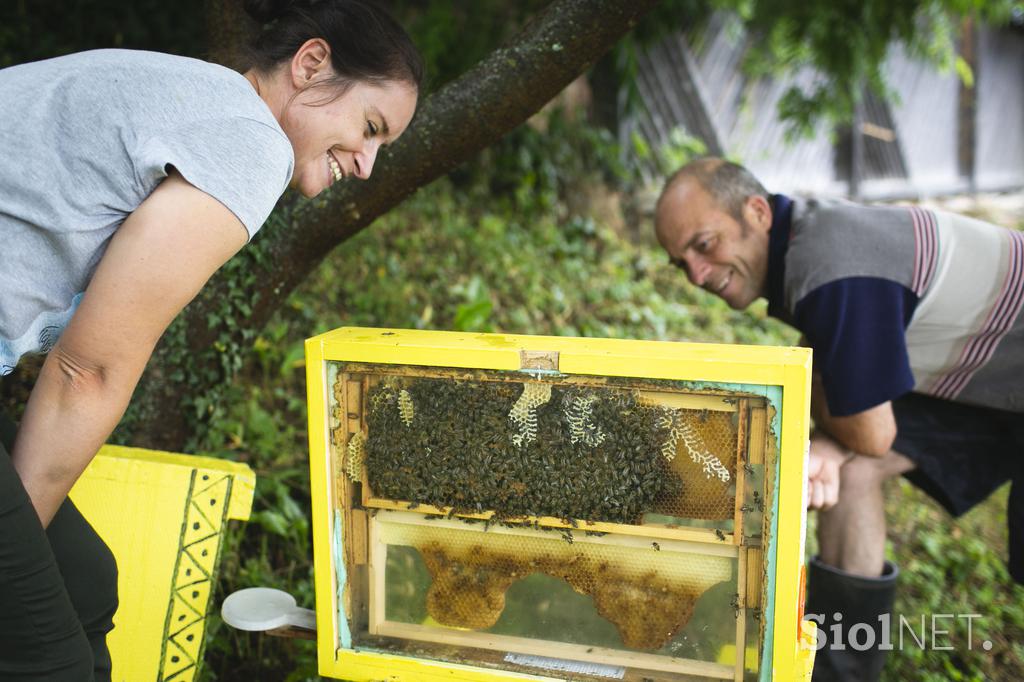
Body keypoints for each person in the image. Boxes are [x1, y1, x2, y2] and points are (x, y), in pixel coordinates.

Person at [0, 0, 422, 678]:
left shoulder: (190, 95)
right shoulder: (247, 141)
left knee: (82, 584)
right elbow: (87, 372)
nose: (368, 164)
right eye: (370, 128)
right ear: (311, 65)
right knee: (50, 659)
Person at [654, 157, 1023, 681]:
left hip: (1000, 370)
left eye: (704, 245)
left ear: (757, 212)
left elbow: (871, 433)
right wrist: (829, 439)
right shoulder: (810, 241)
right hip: (984, 373)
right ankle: (839, 671)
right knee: (843, 466)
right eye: (680, 262)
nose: (695, 274)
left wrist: (827, 420)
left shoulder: (826, 265)